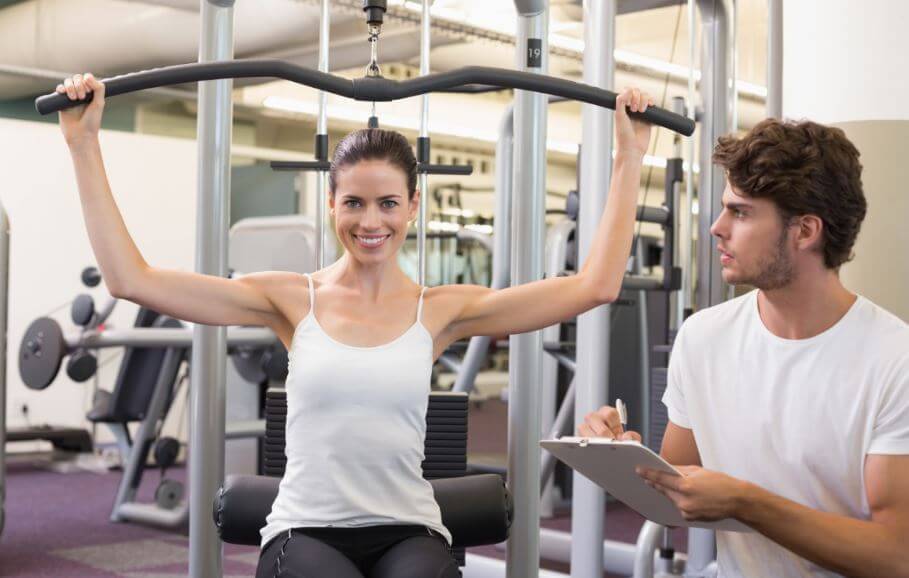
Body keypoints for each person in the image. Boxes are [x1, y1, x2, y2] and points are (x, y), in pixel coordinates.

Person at [55, 73, 656, 578]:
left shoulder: (441, 308)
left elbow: (593, 286)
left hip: (409, 528)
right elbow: (131, 279)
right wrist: (84, 146)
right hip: (305, 529)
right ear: (332, 203)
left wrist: (629, 157)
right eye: (355, 203)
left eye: (388, 203)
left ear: (413, 206)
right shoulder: (290, 299)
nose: (371, 221)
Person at [579, 118, 909, 578]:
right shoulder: (703, 337)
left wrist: (747, 502)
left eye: (741, 212)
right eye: (722, 209)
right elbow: (675, 491)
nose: (717, 227)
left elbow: (896, 555)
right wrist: (620, 454)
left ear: (805, 231)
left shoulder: (895, 361)